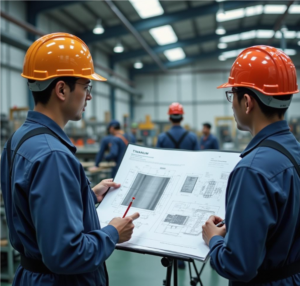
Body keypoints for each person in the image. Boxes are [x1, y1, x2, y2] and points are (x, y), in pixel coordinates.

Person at [0, 32, 140, 286]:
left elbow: (33, 212)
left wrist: (85, 194)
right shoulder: (53, 155)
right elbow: (65, 253)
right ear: (62, 89)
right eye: (86, 87)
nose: (88, 96)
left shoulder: (19, 140)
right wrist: (112, 233)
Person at [202, 45, 300, 285]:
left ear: (246, 102)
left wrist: (213, 239)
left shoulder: (252, 170)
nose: (231, 104)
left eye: (231, 96)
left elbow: (239, 266)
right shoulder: (294, 152)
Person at [157, 103, 199, 269]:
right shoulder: (192, 137)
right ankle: (182, 256)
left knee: (168, 217)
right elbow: (199, 160)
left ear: (169, 117)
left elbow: (158, 161)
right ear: (182, 117)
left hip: (169, 183)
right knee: (185, 217)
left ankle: (171, 253)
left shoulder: (162, 137)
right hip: (187, 184)